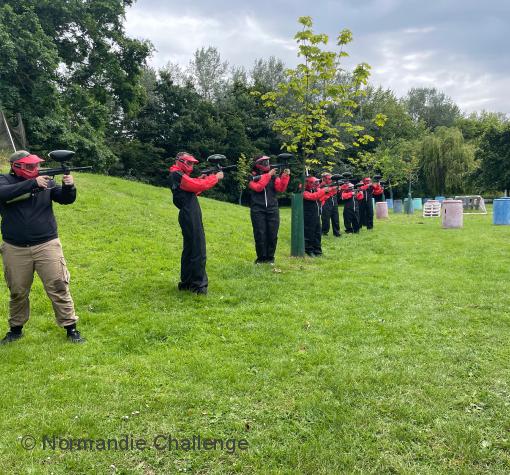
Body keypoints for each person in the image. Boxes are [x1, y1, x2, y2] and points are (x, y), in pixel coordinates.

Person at [0, 150, 85, 345]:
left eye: (36, 165)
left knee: (58, 285)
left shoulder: (46, 182)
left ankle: (71, 328)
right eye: (30, 166)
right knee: (18, 291)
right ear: (16, 167)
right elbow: (3, 193)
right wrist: (32, 183)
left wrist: (68, 187)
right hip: (15, 247)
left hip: (47, 243)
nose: (35, 169)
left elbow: (65, 199)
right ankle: (16, 329)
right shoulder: (4, 180)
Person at [168, 152, 223, 295]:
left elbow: (192, 189)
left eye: (193, 163)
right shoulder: (177, 174)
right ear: (180, 161)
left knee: (190, 249)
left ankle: (186, 283)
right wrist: (215, 178)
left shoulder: (177, 174)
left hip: (187, 213)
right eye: (189, 163)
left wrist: (201, 179)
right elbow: (195, 185)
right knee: (198, 249)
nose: (191, 166)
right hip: (189, 213)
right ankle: (198, 286)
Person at [248, 156, 290, 264]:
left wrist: (285, 176)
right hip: (257, 209)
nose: (267, 163)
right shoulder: (252, 176)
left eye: (268, 161)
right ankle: (261, 259)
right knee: (260, 234)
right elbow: (258, 187)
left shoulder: (273, 176)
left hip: (273, 208)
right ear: (258, 164)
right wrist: (268, 175)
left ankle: (270, 258)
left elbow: (281, 188)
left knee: (272, 234)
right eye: (265, 162)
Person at [303, 176, 335, 257]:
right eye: (314, 183)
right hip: (308, 216)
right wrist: (324, 190)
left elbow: (321, 197)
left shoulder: (314, 190)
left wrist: (332, 190)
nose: (316, 184)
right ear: (308, 183)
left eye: (317, 182)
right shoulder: (304, 192)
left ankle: (317, 250)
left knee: (317, 233)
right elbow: (314, 197)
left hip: (316, 215)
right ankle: (309, 250)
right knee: (309, 234)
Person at [320, 172, 341, 237]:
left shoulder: (332, 184)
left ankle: (337, 232)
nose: (331, 180)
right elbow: (324, 191)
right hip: (325, 202)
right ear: (324, 179)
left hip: (333, 201)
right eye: (329, 179)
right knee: (325, 218)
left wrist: (338, 189)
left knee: (335, 217)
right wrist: (333, 188)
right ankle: (324, 232)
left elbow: (335, 192)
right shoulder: (321, 185)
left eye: (331, 178)